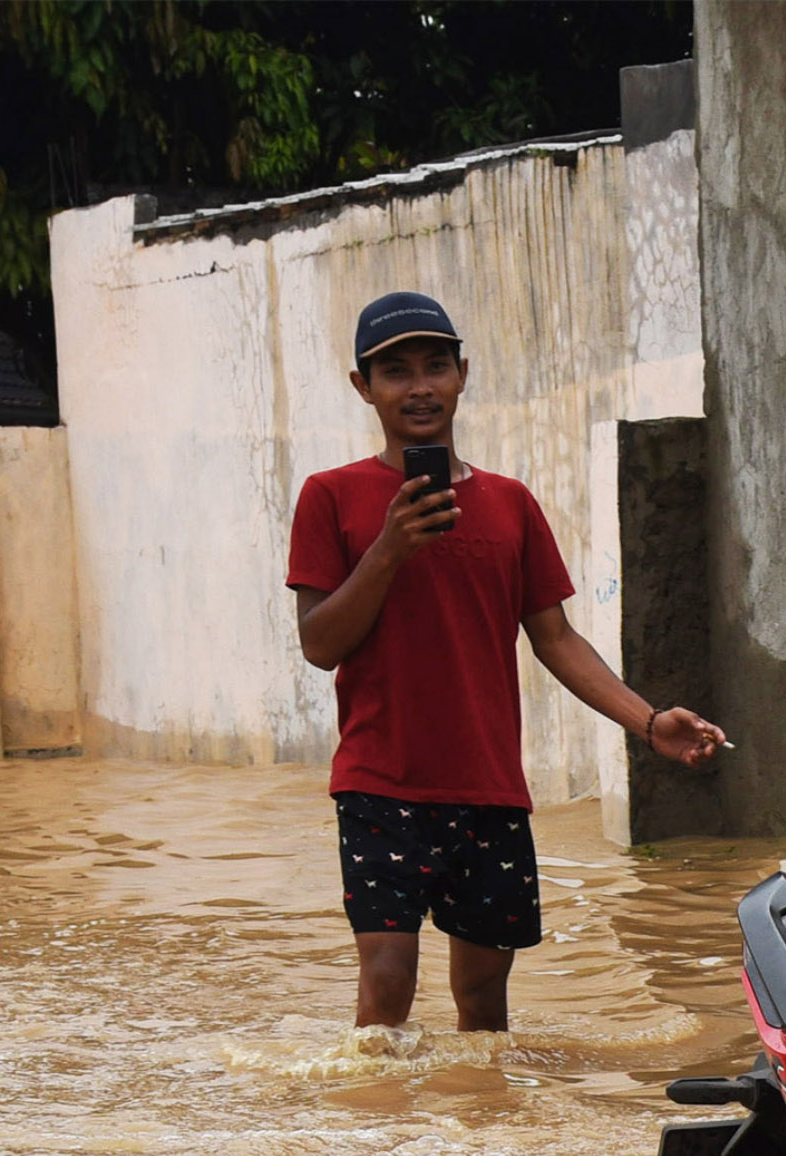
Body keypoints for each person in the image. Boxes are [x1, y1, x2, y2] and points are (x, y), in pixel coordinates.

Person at [285, 290, 724, 1034]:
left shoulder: (511, 504)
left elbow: (556, 639)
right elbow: (320, 643)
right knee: (387, 982)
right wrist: (389, 550)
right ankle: (379, 1137)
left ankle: (483, 1135)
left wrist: (649, 723)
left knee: (484, 1000)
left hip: (490, 791)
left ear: (463, 375)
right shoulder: (331, 498)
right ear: (364, 387)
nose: (419, 386)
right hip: (378, 785)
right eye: (395, 371)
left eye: (435, 366)